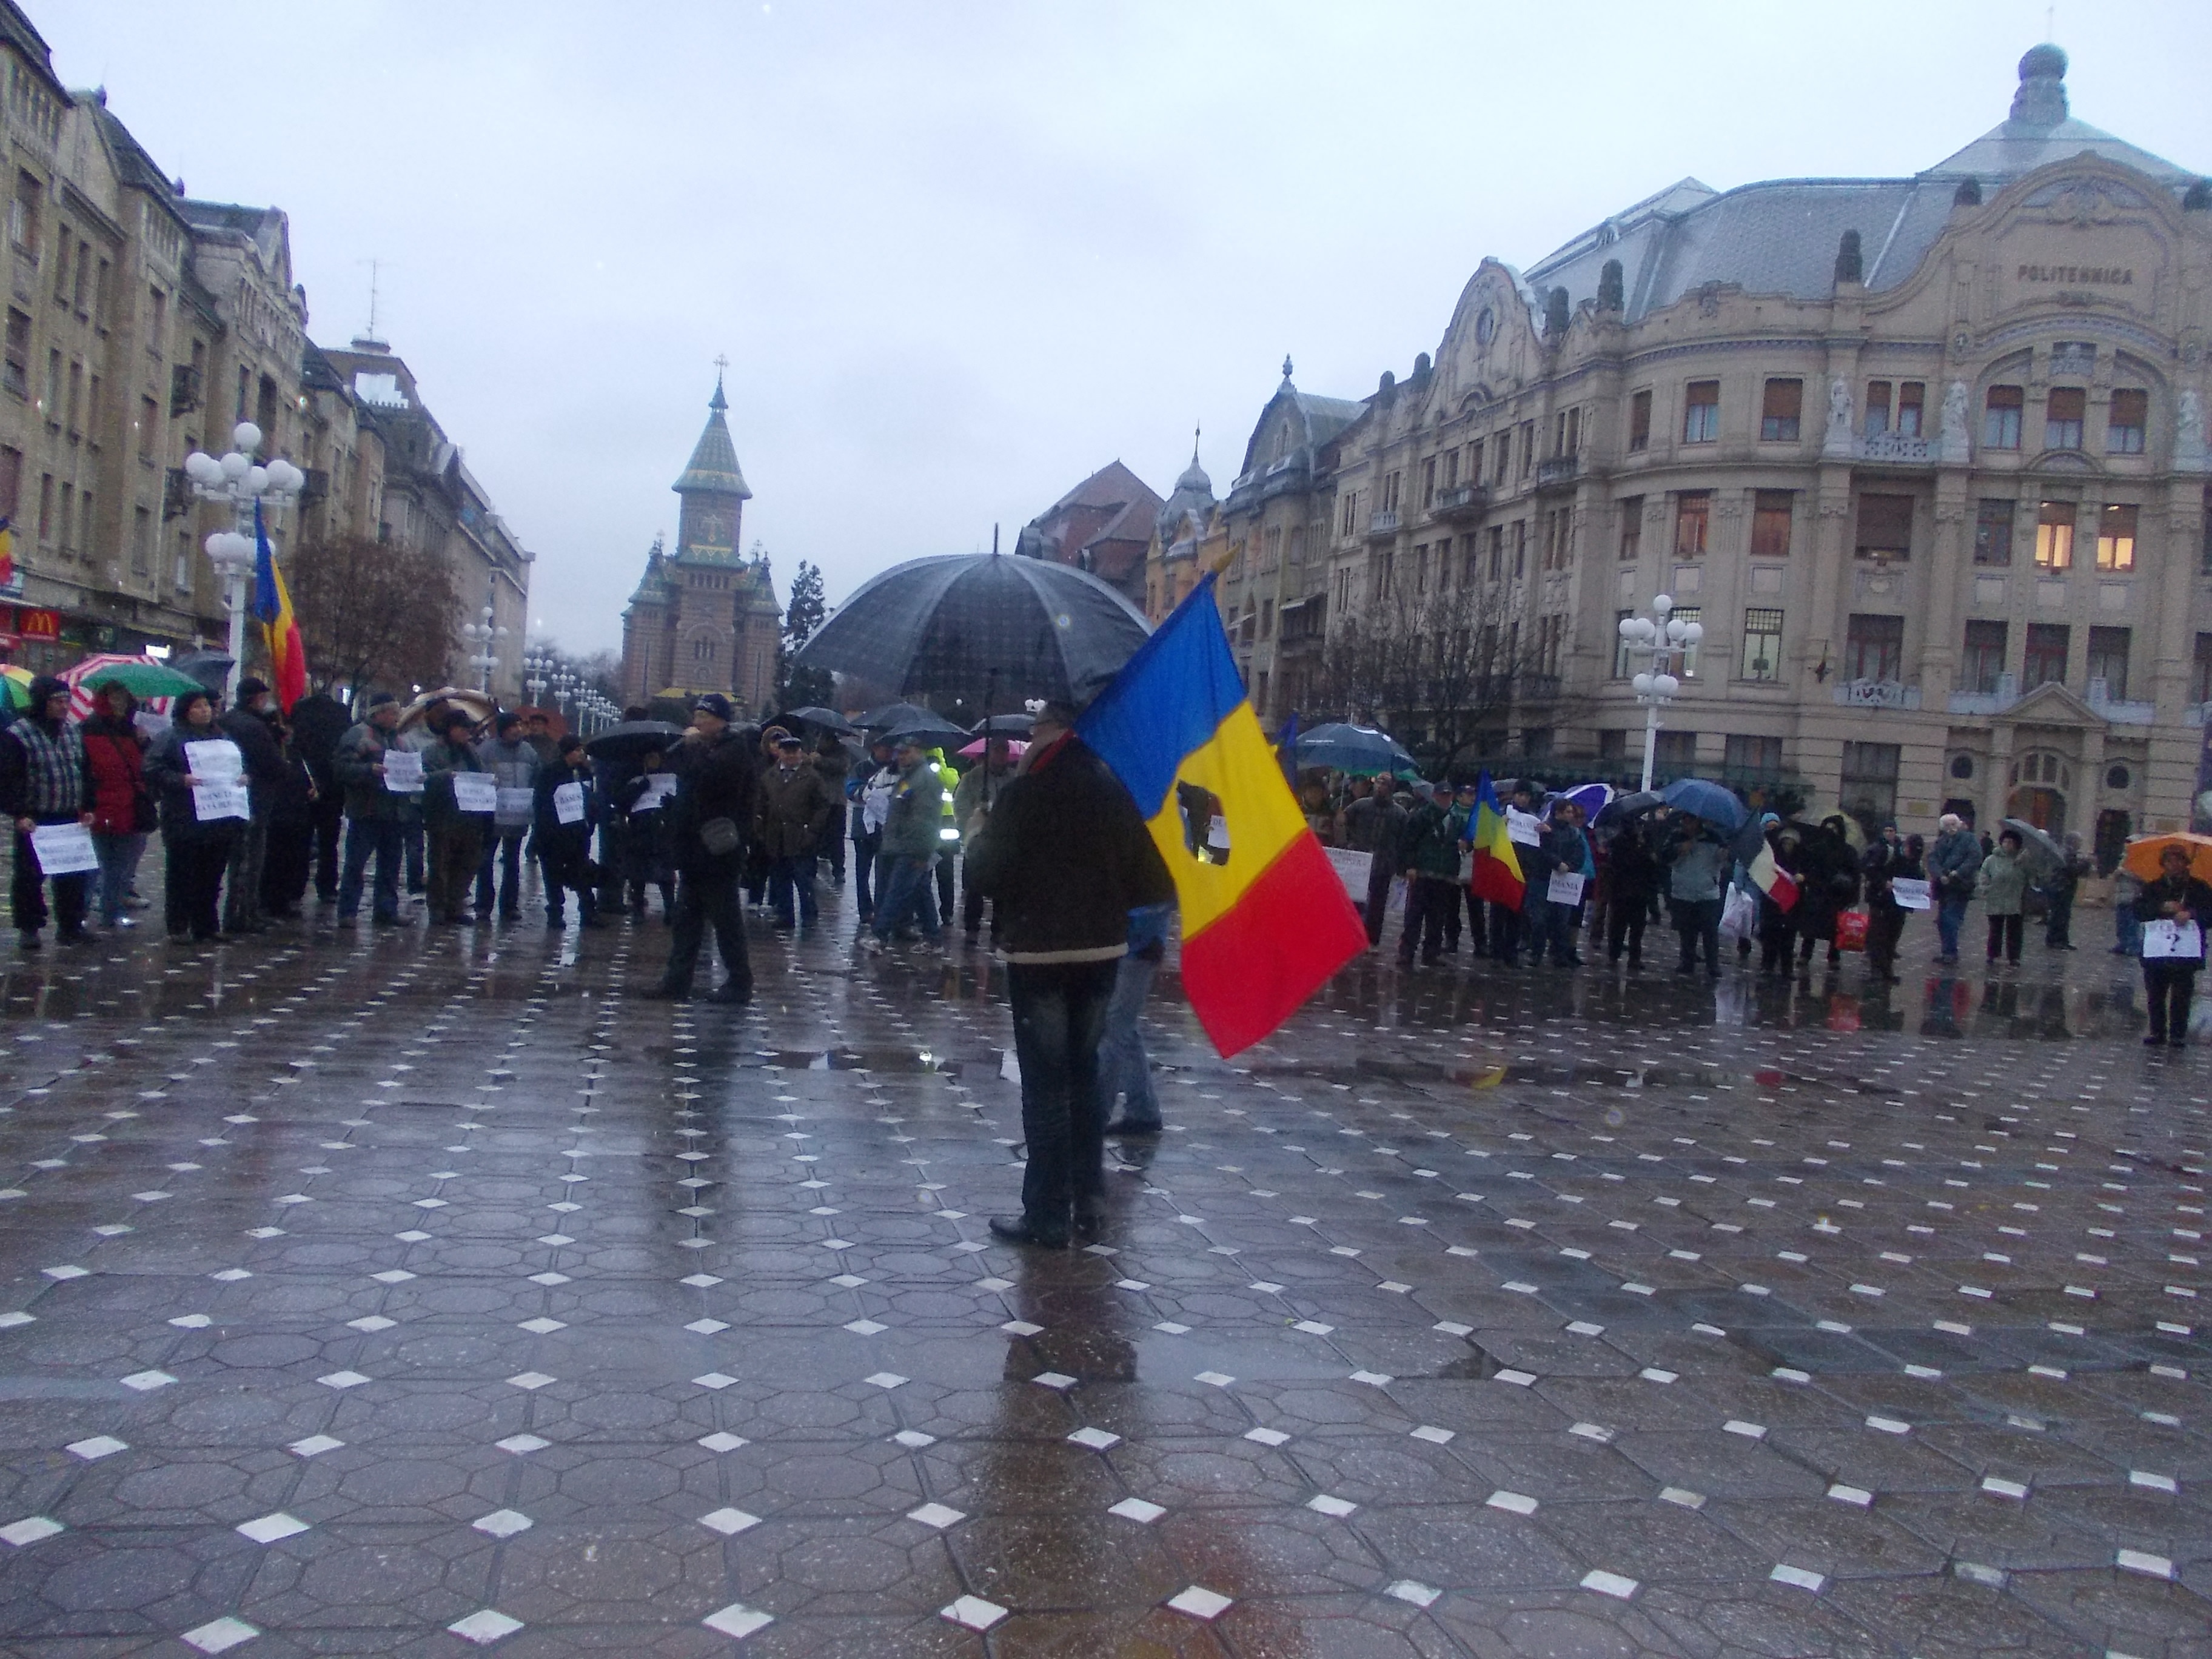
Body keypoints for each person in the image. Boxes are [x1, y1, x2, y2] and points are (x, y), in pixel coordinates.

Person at [968, 699, 1175, 1247]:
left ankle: (1047, 1214)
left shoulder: (1024, 794)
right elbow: (1153, 882)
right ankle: (1090, 1200)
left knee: (1044, 1086)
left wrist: (978, 834)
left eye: (1035, 727)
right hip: (1101, 955)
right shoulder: (1114, 792)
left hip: (1038, 954)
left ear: (1050, 732)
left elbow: (984, 875)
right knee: (1083, 1079)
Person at [649, 694, 756, 1003]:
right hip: (694, 851)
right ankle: (676, 980)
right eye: (696, 716)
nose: (697, 723)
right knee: (686, 920)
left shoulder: (734, 750)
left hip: (718, 850)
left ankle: (739, 982)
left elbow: (709, 781)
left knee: (726, 921)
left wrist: (693, 749)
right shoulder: (703, 749)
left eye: (704, 717)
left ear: (721, 721)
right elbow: (686, 778)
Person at [142, 689, 243, 942]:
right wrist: (180, 779)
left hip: (218, 817)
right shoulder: (171, 737)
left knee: (211, 875)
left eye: (207, 706)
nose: (205, 711)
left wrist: (241, 778)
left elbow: (237, 765)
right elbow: (152, 768)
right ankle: (178, 925)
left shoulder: (222, 737)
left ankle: (206, 925)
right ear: (186, 711)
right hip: (183, 816)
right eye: (198, 707)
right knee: (182, 874)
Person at [0, 675, 92, 948]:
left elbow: (85, 771)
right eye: (57, 701)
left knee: (73, 875)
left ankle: (71, 925)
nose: (63, 706)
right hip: (36, 818)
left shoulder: (72, 732)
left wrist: (89, 806)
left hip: (69, 815)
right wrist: (19, 813)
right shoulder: (18, 735)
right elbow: (8, 779)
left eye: (66, 701)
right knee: (30, 877)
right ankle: (29, 927)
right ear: (42, 702)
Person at [218, 677, 289, 935]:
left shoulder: (227, 720)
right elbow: (270, 763)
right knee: (249, 859)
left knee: (238, 858)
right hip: (255, 797)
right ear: (256, 699)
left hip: (233, 798)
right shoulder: (253, 726)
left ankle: (240, 911)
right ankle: (242, 914)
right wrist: (284, 763)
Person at [1100, 897, 1175, 1136]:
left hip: (1138, 947)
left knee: (1114, 1030)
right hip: (1128, 944)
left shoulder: (1159, 874)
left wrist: (1125, 927)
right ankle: (1143, 1111)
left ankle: (1096, 1116)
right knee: (1124, 1029)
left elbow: (1157, 903)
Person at [80, 681, 151, 931]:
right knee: (95, 864)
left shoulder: (132, 731)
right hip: (99, 805)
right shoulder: (89, 730)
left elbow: (143, 768)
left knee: (121, 866)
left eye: (124, 697)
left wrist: (144, 743)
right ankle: (82, 913)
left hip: (129, 806)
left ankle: (113, 911)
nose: (120, 702)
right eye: (114, 696)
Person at [333, 693, 408, 927]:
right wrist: (368, 770)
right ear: (380, 713)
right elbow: (341, 768)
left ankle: (386, 910)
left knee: (391, 865)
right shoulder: (358, 735)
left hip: (393, 811)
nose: (397, 718)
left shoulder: (398, 740)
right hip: (366, 810)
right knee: (356, 864)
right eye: (393, 713)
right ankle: (348, 911)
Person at [866, 736, 947, 949]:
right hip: (901, 845)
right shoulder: (909, 777)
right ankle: (933, 937)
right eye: (899, 753)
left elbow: (926, 818)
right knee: (920, 892)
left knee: (896, 892)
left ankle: (879, 935)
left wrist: (922, 851)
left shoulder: (924, 779)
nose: (901, 757)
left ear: (918, 752)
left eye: (906, 752)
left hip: (912, 846)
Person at [754, 731, 839, 927]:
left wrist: (812, 831)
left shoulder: (812, 777)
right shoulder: (770, 776)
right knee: (780, 878)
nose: (791, 756)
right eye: (787, 752)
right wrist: (760, 828)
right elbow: (760, 804)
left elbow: (823, 806)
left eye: (794, 752)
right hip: (776, 836)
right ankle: (785, 915)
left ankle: (809, 915)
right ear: (780, 753)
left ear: (800, 753)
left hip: (801, 836)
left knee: (803, 879)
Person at [420, 708, 492, 925]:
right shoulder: (433, 751)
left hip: (470, 816)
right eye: (462, 729)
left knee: (466, 864)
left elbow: (480, 774)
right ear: (450, 729)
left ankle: (455, 906)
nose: (466, 733)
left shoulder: (470, 752)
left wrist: (490, 782)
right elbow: (424, 778)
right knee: (440, 865)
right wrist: (446, 776)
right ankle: (438, 908)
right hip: (443, 817)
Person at [2137, 845, 2212, 1047]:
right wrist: (2161, 907)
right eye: (2169, 861)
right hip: (2157, 949)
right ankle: (2157, 1031)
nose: (2174, 865)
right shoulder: (2153, 887)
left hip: (2186, 950)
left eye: (2178, 860)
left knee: (2182, 993)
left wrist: (2191, 914)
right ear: (2163, 864)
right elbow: (2139, 911)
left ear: (2186, 863)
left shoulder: (2198, 887)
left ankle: (2178, 1033)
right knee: (2155, 992)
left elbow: (2209, 913)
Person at [474, 711, 541, 923]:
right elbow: (476, 778)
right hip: (491, 816)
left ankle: (510, 906)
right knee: (485, 861)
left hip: (518, 817)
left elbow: (537, 778)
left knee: (513, 862)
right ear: (503, 729)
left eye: (520, 725)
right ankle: (484, 905)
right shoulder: (486, 750)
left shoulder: (528, 752)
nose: (518, 730)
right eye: (513, 726)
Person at [286, 688, 351, 907]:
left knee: (302, 840)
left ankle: (296, 888)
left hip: (306, 783)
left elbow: (295, 748)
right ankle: (327, 886)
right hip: (333, 787)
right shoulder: (340, 715)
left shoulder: (300, 714)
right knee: (329, 841)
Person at [535, 735, 603, 928]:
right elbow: (541, 803)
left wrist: (590, 823)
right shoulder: (551, 772)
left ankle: (588, 912)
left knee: (582, 872)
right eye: (577, 750)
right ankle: (555, 912)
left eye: (582, 750)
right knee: (553, 875)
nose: (581, 754)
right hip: (554, 834)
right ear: (567, 752)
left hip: (578, 833)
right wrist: (546, 830)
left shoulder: (584, 772)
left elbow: (590, 800)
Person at [258, 716, 319, 920]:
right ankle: (269, 901)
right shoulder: (271, 751)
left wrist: (312, 789)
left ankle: (286, 898)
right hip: (277, 813)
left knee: (293, 860)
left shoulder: (297, 752)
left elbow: (308, 776)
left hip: (298, 812)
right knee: (274, 859)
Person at [953, 738, 1015, 938]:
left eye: (1004, 751)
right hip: (979, 840)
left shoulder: (1014, 778)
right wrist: (972, 826)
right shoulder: (973, 777)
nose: (1001, 755)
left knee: (1003, 888)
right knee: (974, 887)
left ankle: (999, 929)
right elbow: (960, 804)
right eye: (997, 751)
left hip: (1003, 840)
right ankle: (972, 926)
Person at [1395, 782, 1460, 967]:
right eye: (1442, 795)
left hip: (1444, 875)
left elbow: (1461, 841)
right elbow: (1408, 842)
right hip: (1422, 873)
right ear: (1434, 796)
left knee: (1437, 918)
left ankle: (1432, 953)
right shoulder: (1422, 815)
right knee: (1414, 915)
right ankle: (1407, 952)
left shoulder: (1456, 818)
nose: (1445, 799)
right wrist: (1409, 866)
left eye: (1448, 795)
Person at [614, 747, 677, 917]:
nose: (653, 761)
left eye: (656, 757)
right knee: (638, 873)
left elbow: (680, 802)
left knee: (665, 872)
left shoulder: (670, 777)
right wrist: (638, 789)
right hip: (639, 831)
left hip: (662, 830)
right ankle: (638, 908)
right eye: (649, 757)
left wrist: (672, 805)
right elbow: (621, 803)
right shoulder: (633, 778)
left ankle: (670, 908)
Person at [1527, 800, 1590, 968]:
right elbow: (1541, 851)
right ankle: (1536, 953)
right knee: (1540, 920)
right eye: (1568, 812)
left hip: (1563, 881)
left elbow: (1580, 853)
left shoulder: (1574, 833)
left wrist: (1570, 866)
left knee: (1561, 920)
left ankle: (1558, 954)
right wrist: (1557, 863)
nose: (1571, 815)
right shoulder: (1544, 830)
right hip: (1543, 879)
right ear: (1558, 813)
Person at [1667, 813, 1727, 977]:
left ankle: (1712, 964)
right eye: (1685, 821)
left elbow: (1723, 861)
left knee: (1710, 930)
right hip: (1683, 891)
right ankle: (1687, 961)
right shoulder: (1676, 836)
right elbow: (1665, 858)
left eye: (1690, 821)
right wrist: (1679, 851)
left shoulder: (1714, 837)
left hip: (1707, 892)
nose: (1687, 825)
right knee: (1687, 930)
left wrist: (1723, 855)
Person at [1860, 823, 1921, 984]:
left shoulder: (1912, 860)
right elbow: (1870, 869)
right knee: (1878, 935)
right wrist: (1883, 883)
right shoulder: (1885, 852)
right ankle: (1876, 970)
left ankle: (1887, 970)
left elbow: (1917, 877)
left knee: (1893, 937)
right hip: (1880, 900)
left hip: (1898, 903)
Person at [1928, 812, 1983, 966]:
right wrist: (1940, 875)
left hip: (1960, 886)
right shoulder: (1941, 841)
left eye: (1953, 824)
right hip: (1943, 886)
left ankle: (1951, 953)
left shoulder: (1969, 839)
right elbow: (1932, 859)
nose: (1951, 828)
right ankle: (1946, 951)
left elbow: (1975, 858)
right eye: (1947, 825)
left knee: (1950, 918)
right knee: (1942, 920)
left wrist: (1958, 872)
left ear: (1959, 825)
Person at [851, 737, 895, 924]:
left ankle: (881, 908)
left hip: (885, 828)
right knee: (862, 872)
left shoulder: (895, 769)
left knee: (883, 872)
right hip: (863, 828)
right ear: (875, 749)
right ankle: (865, 910)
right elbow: (851, 790)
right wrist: (869, 792)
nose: (888, 753)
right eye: (885, 749)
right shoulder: (861, 768)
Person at [1605, 819, 1660, 968]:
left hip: (1640, 890)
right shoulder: (1619, 842)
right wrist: (1641, 851)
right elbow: (1619, 864)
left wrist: (1648, 853)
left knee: (1638, 926)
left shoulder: (1647, 840)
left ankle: (1635, 956)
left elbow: (1653, 866)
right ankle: (1614, 955)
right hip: (1621, 889)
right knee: (1618, 925)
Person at [1978, 828, 2029, 966]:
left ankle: (2014, 956)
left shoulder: (2023, 860)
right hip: (1995, 897)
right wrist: (1986, 888)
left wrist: (2024, 863)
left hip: (2015, 898)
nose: (2008, 845)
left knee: (2015, 930)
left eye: (2011, 842)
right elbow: (1984, 874)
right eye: (2006, 842)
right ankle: (1992, 954)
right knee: (1995, 929)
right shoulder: (1992, 859)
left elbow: (2031, 876)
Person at [813, 733, 850, 885]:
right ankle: (811, 868)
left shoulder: (842, 751)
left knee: (837, 838)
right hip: (818, 800)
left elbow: (842, 766)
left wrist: (820, 760)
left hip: (836, 800)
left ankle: (839, 870)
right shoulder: (814, 750)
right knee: (815, 835)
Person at [2045, 831, 2089, 950]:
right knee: (2060, 915)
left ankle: (2060, 939)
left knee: (2061, 914)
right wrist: (2085, 863)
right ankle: (2057, 940)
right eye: (2079, 841)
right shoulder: (2068, 853)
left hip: (2061, 886)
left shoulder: (2065, 851)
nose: (2080, 844)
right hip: (2062, 887)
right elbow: (2071, 870)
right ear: (2073, 841)